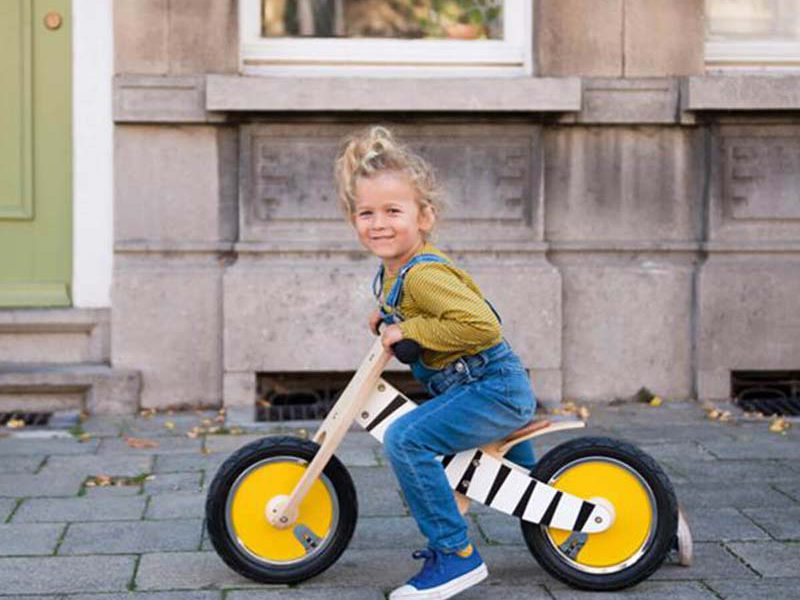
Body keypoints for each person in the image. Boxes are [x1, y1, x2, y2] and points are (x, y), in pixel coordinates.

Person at [335, 125, 537, 600]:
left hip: (490, 388)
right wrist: (387, 316)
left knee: (407, 438)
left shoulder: (422, 274)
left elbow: (482, 326)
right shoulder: (394, 272)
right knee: (528, 489)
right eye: (366, 213)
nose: (379, 223)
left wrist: (410, 330)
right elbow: (412, 308)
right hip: (474, 387)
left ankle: (456, 556)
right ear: (353, 221)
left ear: (424, 217)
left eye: (393, 211)